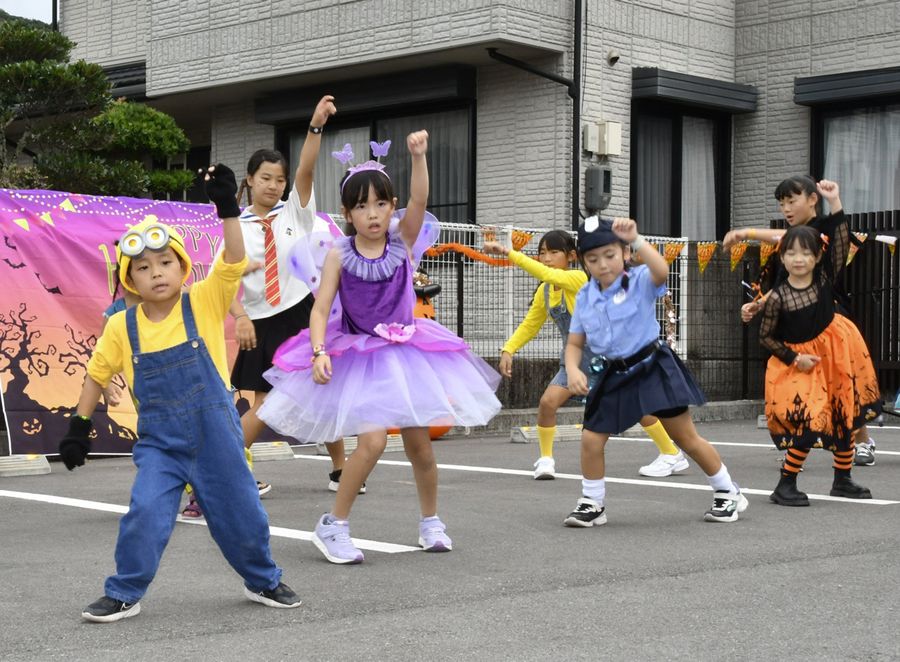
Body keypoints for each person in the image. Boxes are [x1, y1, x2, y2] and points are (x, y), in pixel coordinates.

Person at [56, 165, 301, 622]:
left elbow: (232, 257)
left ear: (183, 266)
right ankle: (125, 591)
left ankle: (264, 579)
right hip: (160, 445)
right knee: (144, 513)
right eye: (144, 267)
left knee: (242, 515)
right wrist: (79, 426)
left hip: (218, 439)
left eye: (166, 262)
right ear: (131, 278)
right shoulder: (120, 326)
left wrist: (228, 207)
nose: (157, 273)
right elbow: (95, 375)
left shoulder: (203, 300)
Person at [257, 131, 501, 564]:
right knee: (369, 443)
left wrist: (420, 157)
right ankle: (334, 524)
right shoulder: (338, 253)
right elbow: (321, 310)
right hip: (362, 356)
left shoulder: (401, 243)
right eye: (362, 206)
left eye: (381, 204)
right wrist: (318, 351)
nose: (373, 214)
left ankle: (430, 522)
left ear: (392, 207)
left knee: (420, 445)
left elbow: (421, 201)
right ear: (348, 213)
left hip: (408, 353)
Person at [563, 216, 749, 527]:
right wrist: (572, 369)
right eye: (592, 259)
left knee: (685, 438)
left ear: (624, 253)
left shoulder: (639, 280)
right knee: (591, 438)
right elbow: (574, 344)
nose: (602, 264)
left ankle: (727, 490)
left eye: (610, 255)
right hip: (616, 373)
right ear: (583, 262)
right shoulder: (585, 296)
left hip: (652, 367)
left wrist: (637, 239)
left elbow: (661, 269)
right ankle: (592, 502)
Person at [483, 233, 689, 480]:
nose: (546, 258)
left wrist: (510, 254)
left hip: (605, 357)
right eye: (543, 252)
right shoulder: (545, 292)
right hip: (575, 362)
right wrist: (509, 349)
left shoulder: (578, 278)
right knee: (548, 403)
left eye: (553, 252)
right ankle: (546, 459)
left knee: (639, 408)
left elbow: (548, 274)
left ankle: (670, 453)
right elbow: (531, 324)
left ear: (571, 257)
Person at [226, 95, 352, 498]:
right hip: (260, 320)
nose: (273, 185)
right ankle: (227, 470)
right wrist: (241, 317)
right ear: (249, 179)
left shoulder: (294, 213)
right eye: (265, 178)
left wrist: (315, 126)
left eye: (278, 179)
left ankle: (341, 470)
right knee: (266, 402)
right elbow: (226, 280)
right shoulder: (237, 226)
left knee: (324, 390)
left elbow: (307, 169)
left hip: (299, 313)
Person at [724, 176, 878, 466]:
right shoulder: (794, 240)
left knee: (841, 385)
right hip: (798, 326)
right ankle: (804, 454)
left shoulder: (820, 233)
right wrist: (757, 305)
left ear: (812, 199)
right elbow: (785, 287)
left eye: (792, 201)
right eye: (782, 203)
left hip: (828, 323)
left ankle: (861, 442)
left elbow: (839, 237)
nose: (786, 208)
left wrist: (835, 200)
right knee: (805, 388)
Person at [760, 224, 880, 505]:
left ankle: (843, 479)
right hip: (797, 365)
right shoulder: (777, 297)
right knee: (809, 419)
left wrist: (835, 202)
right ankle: (785, 484)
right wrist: (795, 358)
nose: (798, 258)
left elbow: (840, 244)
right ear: (782, 257)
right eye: (791, 252)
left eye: (805, 253)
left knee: (844, 415)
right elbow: (766, 337)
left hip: (834, 357)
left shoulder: (823, 281)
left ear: (817, 258)